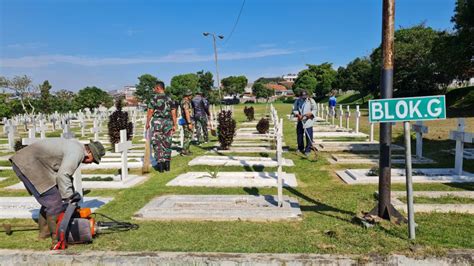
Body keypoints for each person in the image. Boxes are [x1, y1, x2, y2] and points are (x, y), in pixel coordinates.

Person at [9, 139, 105, 242]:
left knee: (51, 198)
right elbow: (63, 175)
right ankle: (58, 238)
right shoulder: (78, 152)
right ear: (89, 152)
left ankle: (44, 233)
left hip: (33, 163)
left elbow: (65, 176)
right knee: (54, 201)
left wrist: (70, 195)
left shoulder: (77, 148)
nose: (91, 163)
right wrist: (69, 198)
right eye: (93, 159)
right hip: (28, 164)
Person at [146, 81, 178, 172]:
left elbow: (150, 112)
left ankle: (160, 165)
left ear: (158, 88)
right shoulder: (170, 98)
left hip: (157, 122)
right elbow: (173, 113)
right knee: (167, 142)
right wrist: (174, 124)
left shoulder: (154, 99)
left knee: (157, 143)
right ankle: (167, 164)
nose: (154, 90)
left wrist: (147, 123)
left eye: (154, 88)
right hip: (168, 122)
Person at [292, 90, 317, 156]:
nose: (304, 97)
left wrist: (311, 114)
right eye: (302, 96)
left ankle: (308, 149)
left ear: (307, 95)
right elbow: (295, 109)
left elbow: (315, 109)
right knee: (299, 135)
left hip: (308, 120)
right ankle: (300, 148)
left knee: (309, 135)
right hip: (300, 120)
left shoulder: (311, 101)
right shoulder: (297, 101)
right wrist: (298, 115)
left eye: (305, 96)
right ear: (300, 96)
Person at [180, 90, 194, 155]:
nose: (191, 96)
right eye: (191, 95)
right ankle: (184, 151)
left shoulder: (184, 101)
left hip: (186, 121)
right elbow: (186, 112)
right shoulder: (185, 102)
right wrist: (189, 123)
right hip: (187, 121)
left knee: (188, 136)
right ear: (188, 96)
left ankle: (187, 149)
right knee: (188, 136)